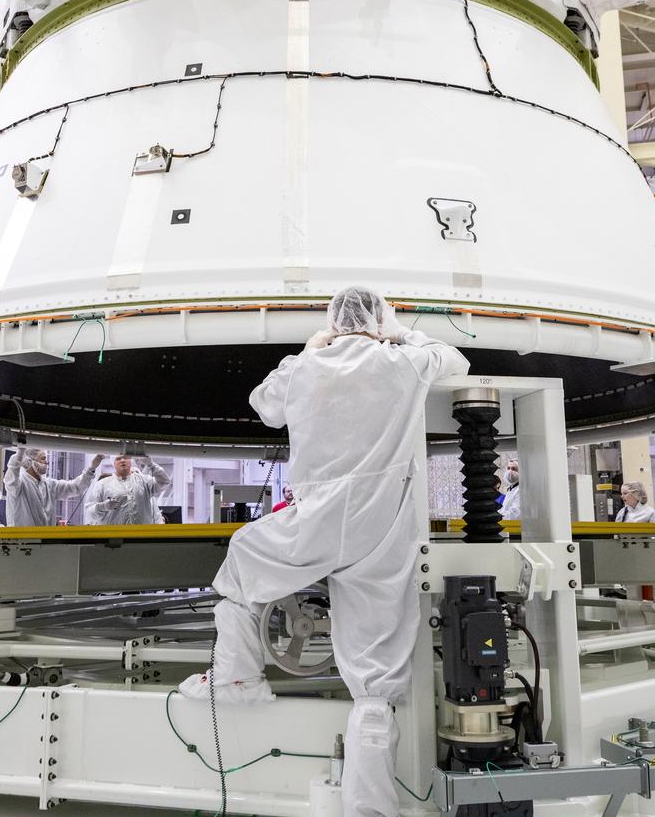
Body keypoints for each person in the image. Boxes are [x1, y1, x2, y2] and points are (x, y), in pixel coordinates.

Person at [179, 285, 469, 817]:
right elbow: (456, 359)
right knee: (376, 679)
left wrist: (309, 352)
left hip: (313, 520)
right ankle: (372, 808)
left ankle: (238, 677)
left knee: (242, 562)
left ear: (333, 322)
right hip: (384, 529)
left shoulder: (304, 368)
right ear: (380, 319)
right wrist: (404, 335)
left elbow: (263, 406)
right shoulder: (403, 363)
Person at [4, 448, 99, 526]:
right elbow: (10, 480)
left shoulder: (48, 485)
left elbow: (74, 487)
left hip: (46, 541)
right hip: (22, 542)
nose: (47, 462)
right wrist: (19, 456)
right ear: (30, 461)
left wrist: (91, 469)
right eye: (43, 458)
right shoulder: (20, 484)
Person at [82, 455, 170, 525]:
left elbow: (164, 482)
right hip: (114, 540)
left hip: (140, 537)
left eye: (126, 457)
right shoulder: (102, 485)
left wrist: (152, 465)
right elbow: (89, 513)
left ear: (131, 460)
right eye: (118, 458)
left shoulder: (144, 481)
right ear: (113, 463)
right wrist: (102, 507)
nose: (122, 460)